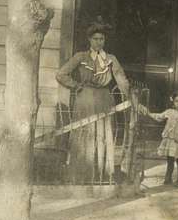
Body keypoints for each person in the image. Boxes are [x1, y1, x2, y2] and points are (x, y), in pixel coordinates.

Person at [56, 23, 130, 184]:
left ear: (105, 40)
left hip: (104, 98)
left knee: (103, 134)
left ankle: (101, 175)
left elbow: (121, 79)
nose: (98, 42)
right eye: (95, 39)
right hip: (86, 99)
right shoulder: (80, 57)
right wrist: (76, 85)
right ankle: (81, 175)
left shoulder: (111, 59)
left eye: (101, 39)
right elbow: (61, 74)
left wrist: (130, 96)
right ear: (89, 40)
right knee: (84, 134)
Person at [139, 90, 178, 189]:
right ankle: (168, 177)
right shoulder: (169, 112)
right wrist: (148, 113)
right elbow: (159, 117)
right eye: (176, 101)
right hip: (170, 140)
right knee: (170, 160)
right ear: (173, 102)